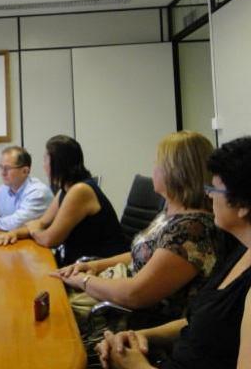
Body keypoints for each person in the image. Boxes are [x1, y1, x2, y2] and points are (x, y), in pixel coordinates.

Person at [95, 136, 251, 369]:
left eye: (214, 189)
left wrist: (136, 365)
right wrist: (140, 336)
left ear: (243, 206)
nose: (208, 195)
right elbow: (199, 323)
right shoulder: (241, 251)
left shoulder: (197, 229)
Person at [54, 132, 219, 327]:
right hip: (115, 296)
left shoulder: (192, 230)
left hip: (133, 322)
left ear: (178, 172)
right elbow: (143, 255)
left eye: (158, 163)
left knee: (53, 319)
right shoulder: (171, 212)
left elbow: (135, 294)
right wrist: (96, 266)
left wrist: (84, 281)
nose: (153, 168)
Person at [0, 135, 128, 266]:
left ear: (57, 163)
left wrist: (33, 230)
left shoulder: (80, 190)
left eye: (45, 160)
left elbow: (50, 239)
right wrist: (14, 233)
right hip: (79, 262)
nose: (43, 166)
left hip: (102, 265)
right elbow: (42, 222)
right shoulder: (66, 188)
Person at [0, 146, 53, 231]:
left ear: (25, 171)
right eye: (1, 167)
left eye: (7, 168)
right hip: (12, 237)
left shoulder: (38, 192)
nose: (3, 173)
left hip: (37, 239)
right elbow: (4, 221)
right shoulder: (1, 191)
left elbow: (17, 224)